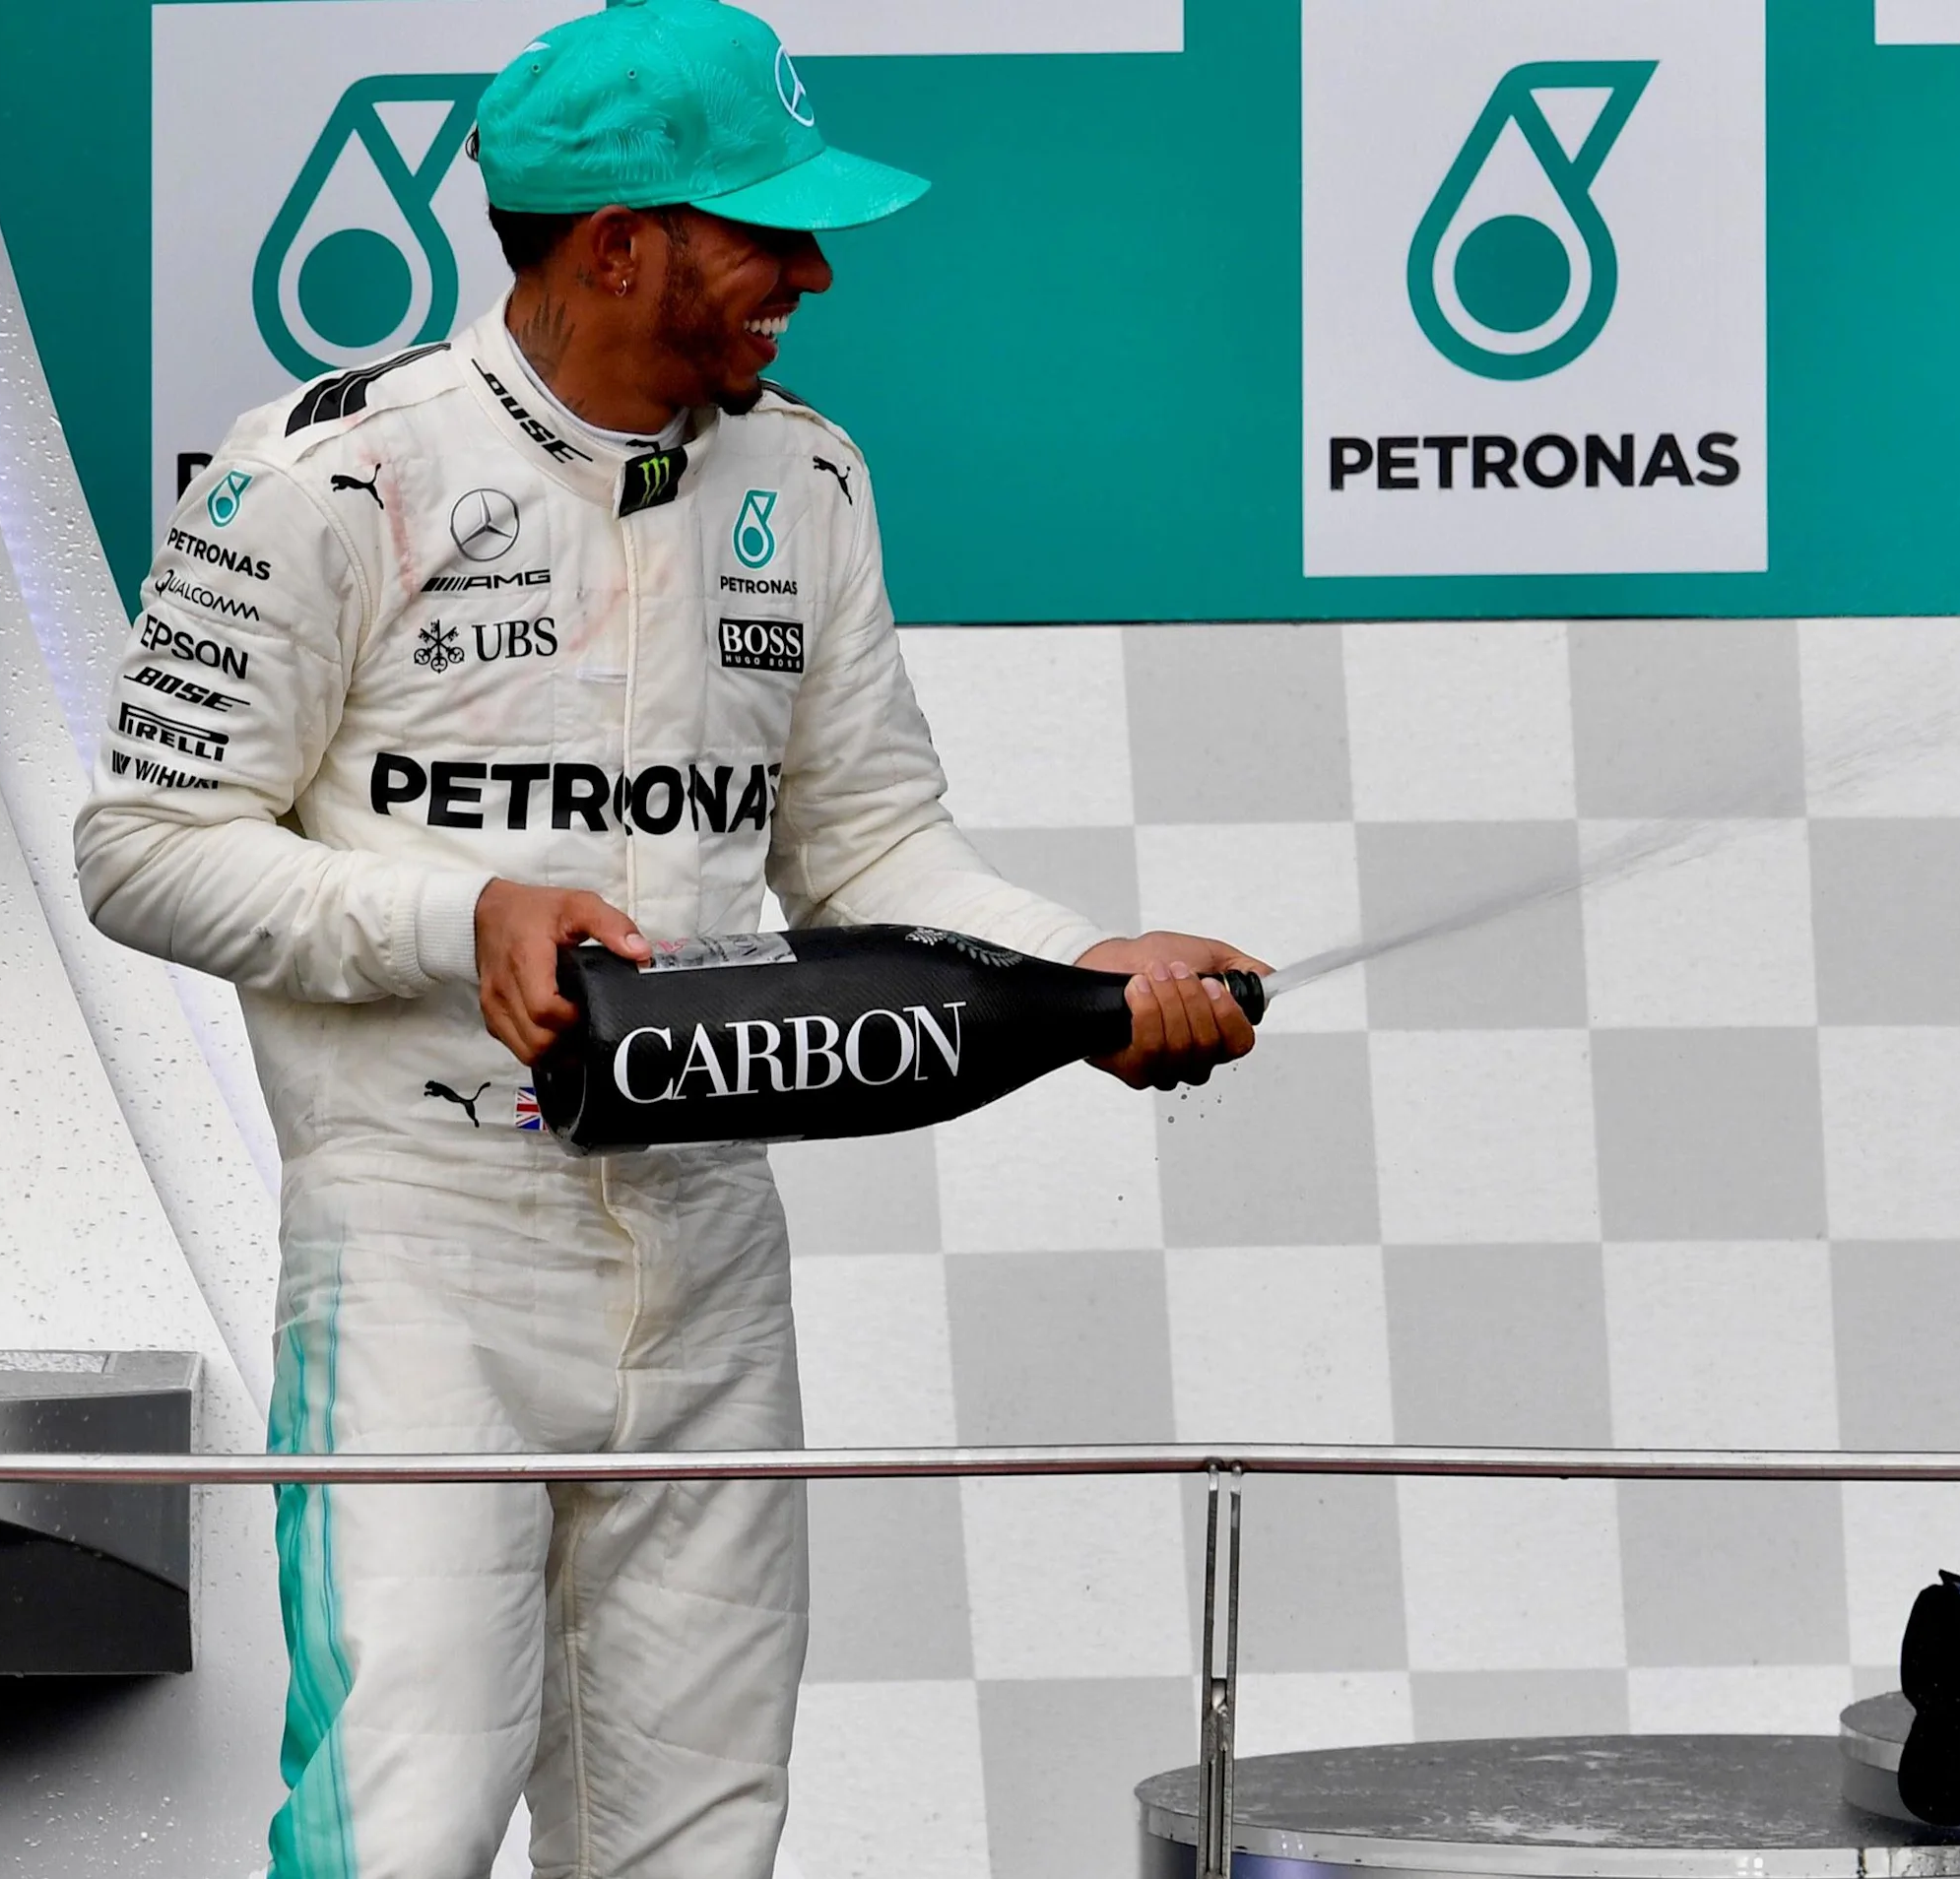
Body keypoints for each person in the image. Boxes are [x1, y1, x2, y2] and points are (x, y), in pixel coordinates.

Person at [73, 4, 1265, 1872]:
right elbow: (140, 851)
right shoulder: (322, 474)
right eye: (760, 230)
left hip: (711, 1257)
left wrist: (1087, 980)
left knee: (698, 1841)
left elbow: (871, 846)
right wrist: (452, 915)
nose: (809, 270)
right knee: (403, 1826)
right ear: (617, 240)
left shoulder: (809, 479)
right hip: (420, 1264)